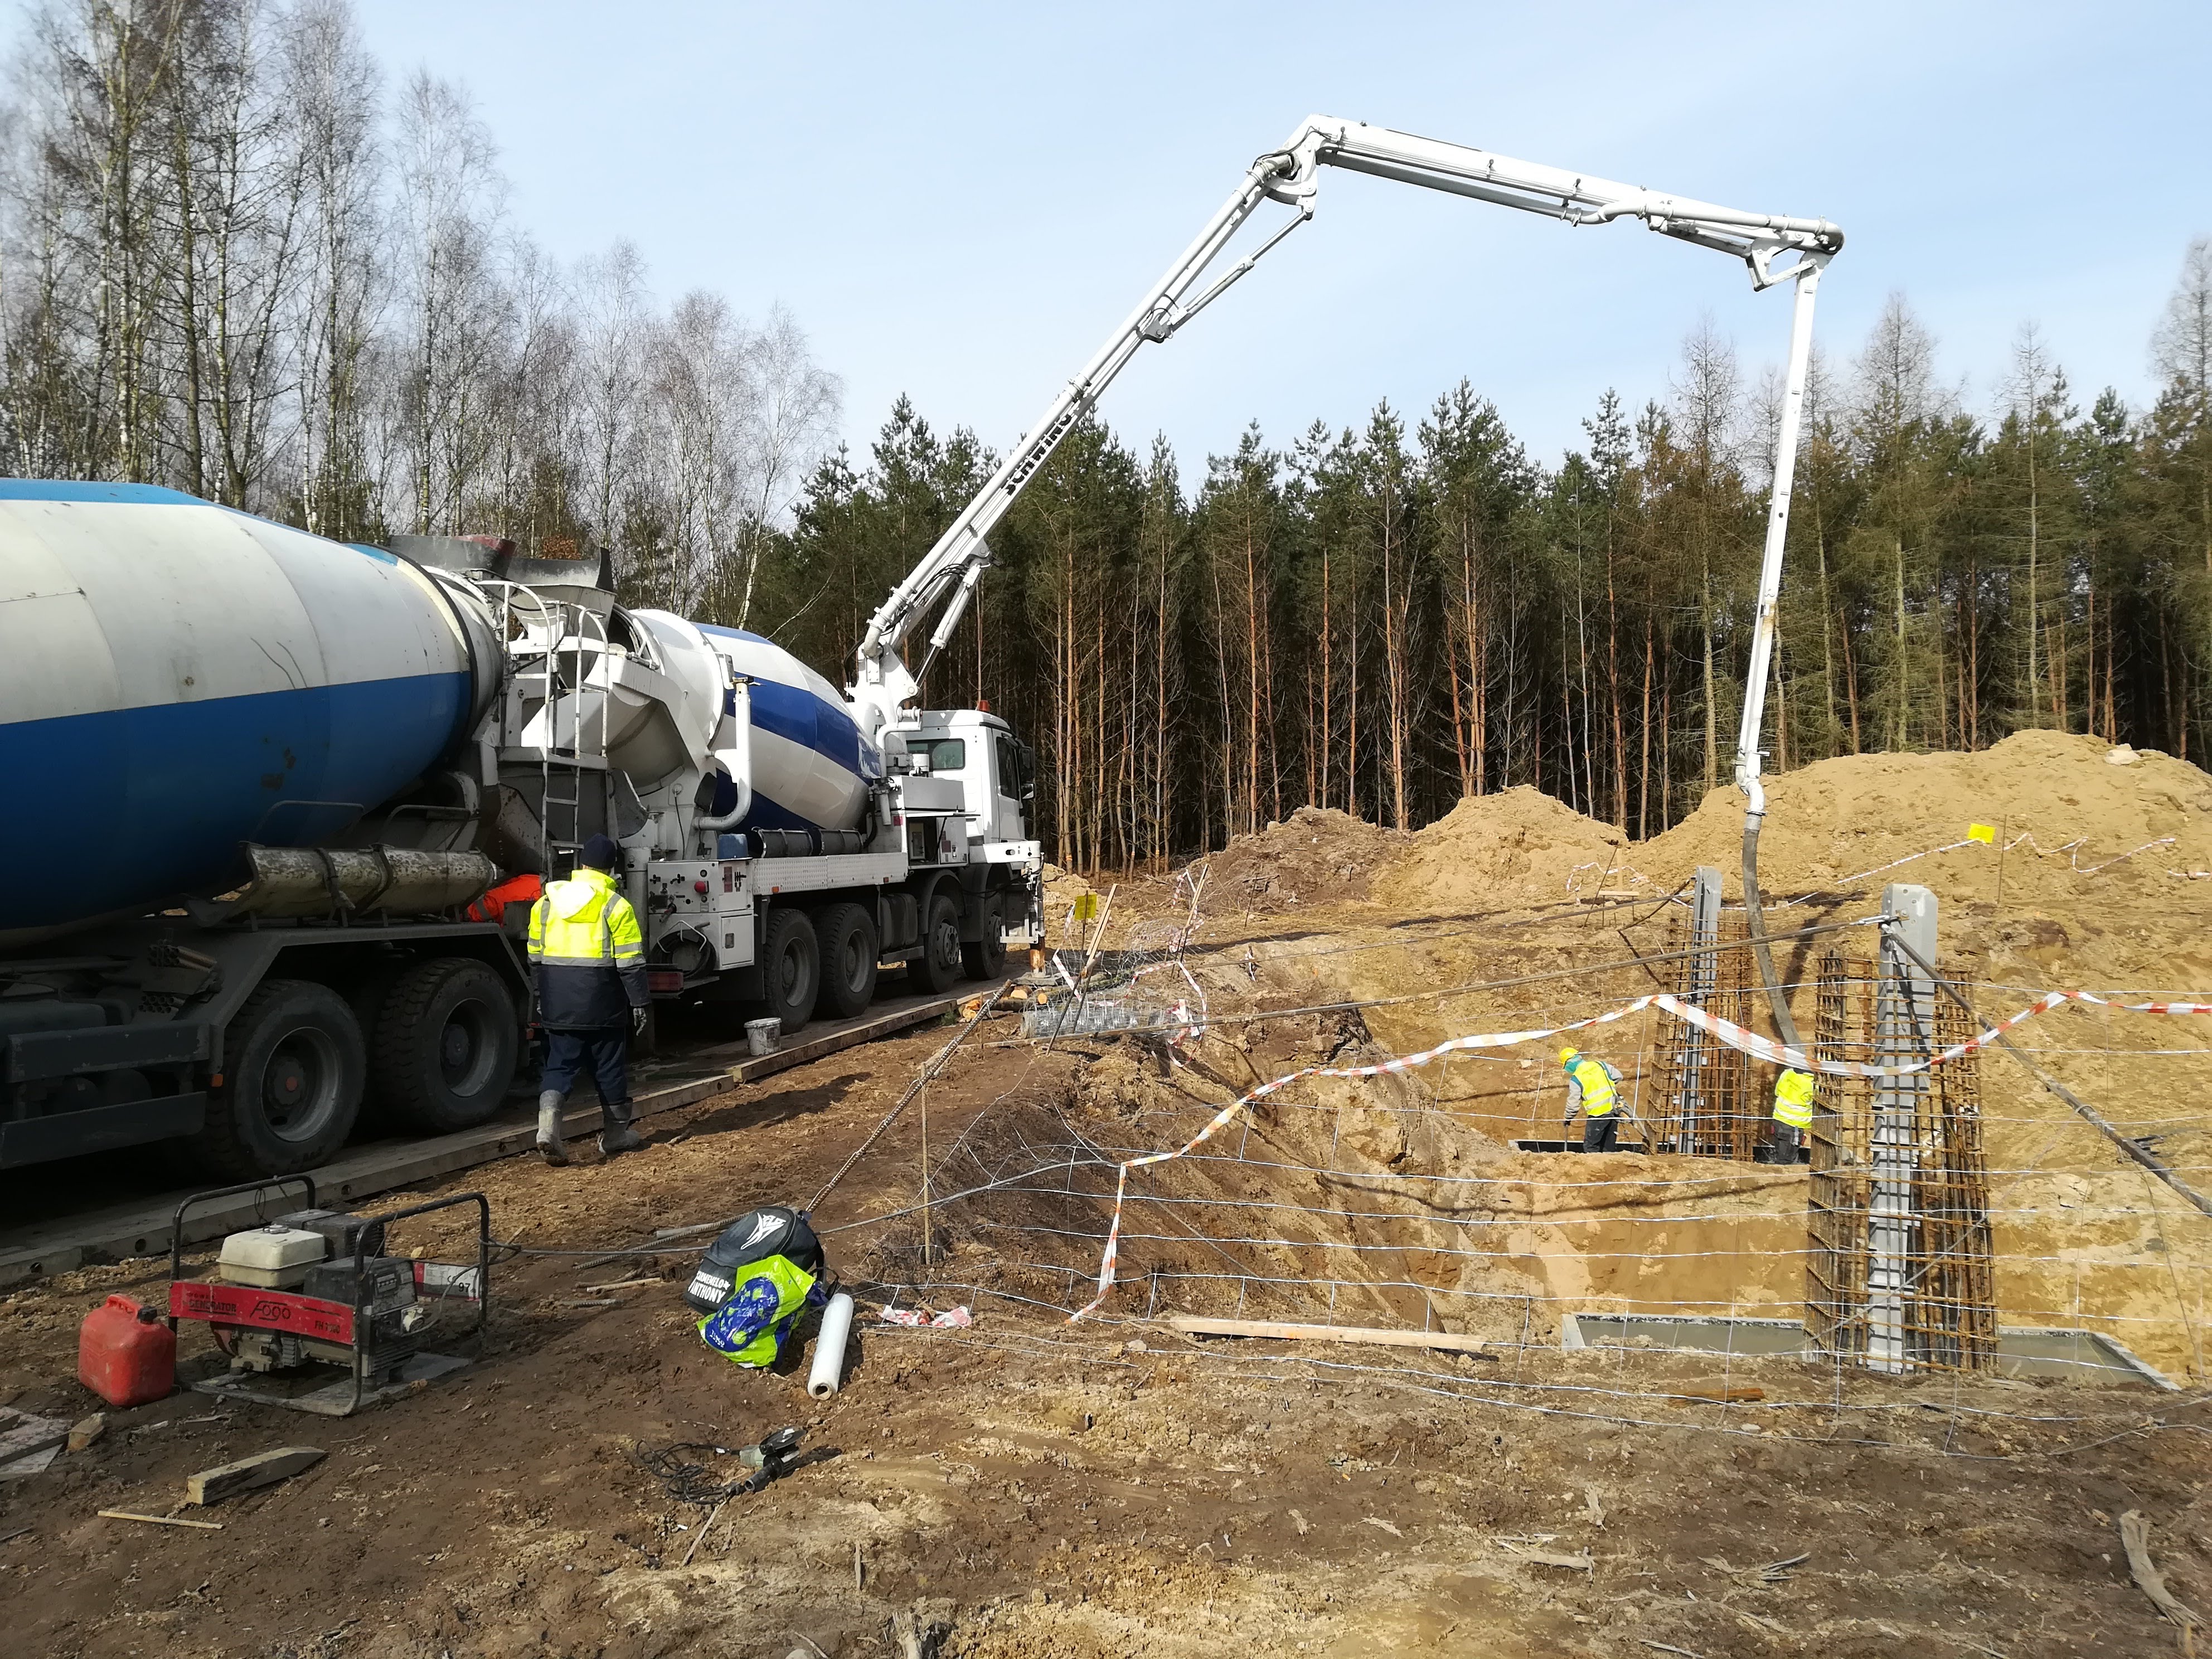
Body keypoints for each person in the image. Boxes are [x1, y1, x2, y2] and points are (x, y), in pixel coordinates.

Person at [527, 834, 649, 1164]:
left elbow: (535, 957)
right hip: (603, 1004)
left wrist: (541, 996)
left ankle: (548, 1130)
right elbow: (630, 962)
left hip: (559, 1003)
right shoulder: (616, 906)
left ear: (581, 866)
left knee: (559, 1064)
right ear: (612, 869)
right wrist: (640, 1003)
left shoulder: (546, 903)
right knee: (609, 1068)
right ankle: (615, 1135)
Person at [1560, 1045, 1624, 1152]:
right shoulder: (1600, 1065)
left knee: (1591, 1147)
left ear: (1569, 1063)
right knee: (1609, 1147)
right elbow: (1619, 1076)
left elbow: (1573, 1104)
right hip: (1614, 1110)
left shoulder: (1576, 1078)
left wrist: (1567, 1118)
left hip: (1597, 1114)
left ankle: (1595, 1169)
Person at [1769, 1066, 1815, 1162]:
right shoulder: (1811, 1083)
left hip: (1778, 1120)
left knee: (1780, 1155)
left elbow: (1777, 1092)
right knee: (1786, 1160)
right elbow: (1818, 1102)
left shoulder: (1787, 1073)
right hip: (1794, 1126)